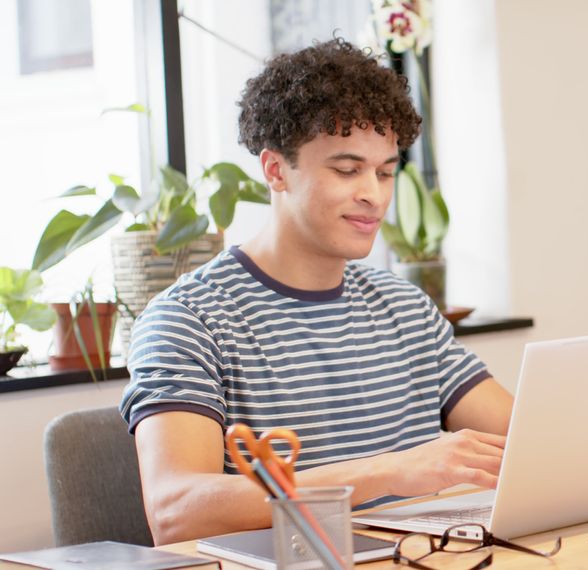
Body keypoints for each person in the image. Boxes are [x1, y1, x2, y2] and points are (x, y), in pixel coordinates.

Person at [119, 38, 513, 545]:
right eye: (347, 170)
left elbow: (524, 438)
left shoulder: (405, 307)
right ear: (276, 169)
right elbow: (176, 511)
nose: (373, 194)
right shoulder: (188, 320)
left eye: (386, 171)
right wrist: (389, 472)